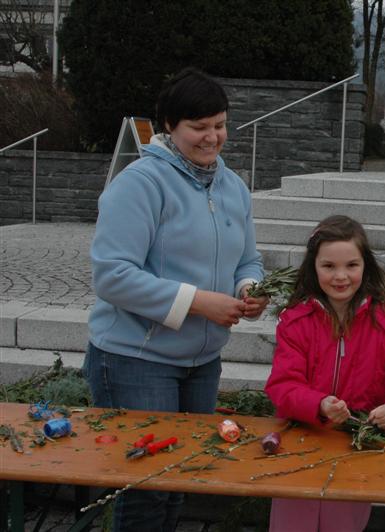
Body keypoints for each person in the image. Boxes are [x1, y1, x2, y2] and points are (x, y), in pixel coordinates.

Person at [83, 67, 268, 531]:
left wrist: (248, 290)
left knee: (183, 479)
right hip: (135, 358)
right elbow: (112, 275)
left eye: (220, 125)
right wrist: (200, 302)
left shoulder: (233, 186)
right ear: (169, 125)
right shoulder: (139, 183)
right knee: (146, 493)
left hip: (201, 361)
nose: (213, 137)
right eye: (199, 127)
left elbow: (248, 260)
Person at [264, 215, 385, 532]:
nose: (341, 276)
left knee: (343, 522)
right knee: (292, 520)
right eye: (329, 266)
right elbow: (283, 385)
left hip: (356, 444)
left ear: (365, 266)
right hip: (299, 442)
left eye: (351, 265)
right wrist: (318, 404)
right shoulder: (296, 321)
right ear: (314, 267)